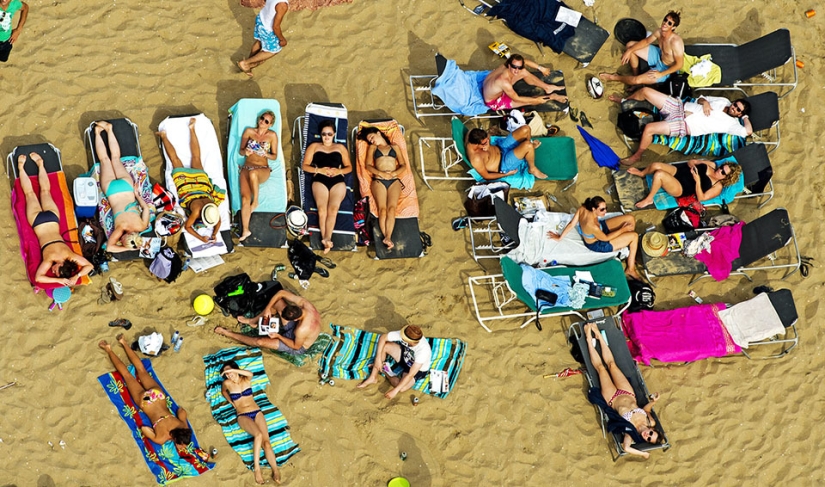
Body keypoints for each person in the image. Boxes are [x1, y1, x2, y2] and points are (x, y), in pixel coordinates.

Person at [609, 88, 753, 164]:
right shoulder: (724, 101)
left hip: (683, 125)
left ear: (740, 115)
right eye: (736, 105)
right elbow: (701, 98)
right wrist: (705, 102)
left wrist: (745, 117)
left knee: (649, 129)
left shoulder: (732, 125)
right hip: (678, 106)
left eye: (738, 110)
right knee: (646, 91)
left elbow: (747, 131)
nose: (734, 108)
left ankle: (637, 156)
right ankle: (624, 100)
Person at [99, 334, 194, 447]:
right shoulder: (161, 438)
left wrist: (184, 424)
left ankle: (123, 342)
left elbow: (181, 411)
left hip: (158, 396)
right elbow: (144, 429)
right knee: (126, 375)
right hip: (146, 403)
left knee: (141, 370)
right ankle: (108, 349)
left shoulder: (182, 425)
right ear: (175, 439)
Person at [584, 323, 661, 458]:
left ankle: (588, 340)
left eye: (648, 439)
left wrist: (643, 454)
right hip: (627, 393)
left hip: (612, 398)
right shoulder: (650, 422)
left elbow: (626, 448)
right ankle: (598, 336)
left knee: (601, 369)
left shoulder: (630, 433)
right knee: (612, 365)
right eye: (651, 434)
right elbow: (647, 409)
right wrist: (654, 402)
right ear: (652, 429)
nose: (646, 435)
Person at [18, 153, 93, 286]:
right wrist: (58, 280)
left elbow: (89, 266)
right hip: (37, 222)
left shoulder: (71, 256)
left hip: (52, 219)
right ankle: (21, 168)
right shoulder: (49, 259)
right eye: (56, 271)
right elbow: (38, 278)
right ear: (61, 265)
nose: (52, 270)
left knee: (45, 191)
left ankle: (40, 164)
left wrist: (77, 276)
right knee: (29, 194)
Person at [157, 118, 226, 243]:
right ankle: (163, 136)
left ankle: (192, 129)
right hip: (187, 188)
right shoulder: (197, 211)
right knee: (175, 160)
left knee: (196, 157)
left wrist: (215, 233)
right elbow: (188, 227)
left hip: (201, 185)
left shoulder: (213, 208)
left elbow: (218, 221)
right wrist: (201, 238)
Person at [547, 196, 641, 280]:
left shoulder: (583, 208)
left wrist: (560, 237)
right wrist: (622, 230)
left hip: (601, 229)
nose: (605, 212)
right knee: (634, 236)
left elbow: (572, 224)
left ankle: (629, 249)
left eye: (605, 208)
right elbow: (605, 238)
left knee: (630, 219)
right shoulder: (591, 225)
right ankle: (630, 268)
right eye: (602, 209)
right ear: (593, 209)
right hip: (599, 244)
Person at [94, 121, 152, 253]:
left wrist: (137, 195)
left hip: (127, 188)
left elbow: (146, 208)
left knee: (115, 158)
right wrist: (127, 249)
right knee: (104, 160)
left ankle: (109, 129)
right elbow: (110, 247)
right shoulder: (120, 228)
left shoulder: (142, 226)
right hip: (111, 190)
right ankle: (97, 133)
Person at [220, 361, 281, 485]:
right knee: (258, 435)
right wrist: (231, 403)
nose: (228, 376)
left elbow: (250, 373)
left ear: (236, 370)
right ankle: (257, 468)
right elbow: (224, 391)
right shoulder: (227, 383)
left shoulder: (246, 379)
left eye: (229, 372)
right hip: (242, 415)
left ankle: (275, 469)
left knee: (267, 444)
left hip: (257, 412)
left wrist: (233, 372)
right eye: (225, 374)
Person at [214, 289, 321, 355]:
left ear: (296, 320)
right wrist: (268, 309)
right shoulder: (305, 305)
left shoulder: (302, 329)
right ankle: (253, 321)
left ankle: (227, 333)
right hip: (297, 330)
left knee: (259, 341)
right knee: (278, 302)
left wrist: (278, 336)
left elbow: (296, 346)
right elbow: (281, 293)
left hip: (297, 344)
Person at [300, 120, 352, 253]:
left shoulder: (340, 148)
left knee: (333, 209)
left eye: (329, 133)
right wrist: (319, 170)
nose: (327, 136)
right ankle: (325, 238)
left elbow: (349, 167)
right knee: (322, 209)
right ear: (320, 135)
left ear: (334, 134)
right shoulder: (315, 146)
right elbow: (305, 166)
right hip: (320, 178)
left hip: (337, 179)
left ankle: (328, 238)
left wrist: (338, 171)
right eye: (324, 134)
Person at [356, 126, 410, 250]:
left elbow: (403, 165)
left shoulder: (395, 147)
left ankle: (388, 237)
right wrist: (382, 174)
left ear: (378, 133)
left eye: (372, 137)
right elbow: (368, 165)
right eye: (369, 140)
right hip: (379, 179)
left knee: (392, 209)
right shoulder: (373, 148)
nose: (371, 141)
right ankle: (386, 236)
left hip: (394, 179)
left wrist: (394, 174)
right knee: (382, 209)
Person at [600, 11, 684, 86]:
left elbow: (679, 65)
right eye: (665, 20)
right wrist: (629, 50)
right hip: (659, 56)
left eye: (669, 23)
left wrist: (661, 74)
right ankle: (635, 73)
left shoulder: (675, 42)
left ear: (673, 27)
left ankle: (614, 77)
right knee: (630, 45)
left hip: (666, 69)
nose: (665, 23)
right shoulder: (659, 32)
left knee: (636, 80)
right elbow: (646, 41)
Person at [628, 159, 742, 209]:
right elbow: (692, 161)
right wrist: (693, 166)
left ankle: (649, 199)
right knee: (655, 165)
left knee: (659, 174)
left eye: (723, 172)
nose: (719, 170)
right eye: (722, 167)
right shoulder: (711, 164)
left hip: (681, 187)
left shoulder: (717, 186)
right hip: (679, 171)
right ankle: (642, 173)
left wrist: (697, 180)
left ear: (727, 178)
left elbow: (702, 198)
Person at [357, 325, 432, 400]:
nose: (401, 337)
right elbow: (383, 337)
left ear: (411, 341)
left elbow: (410, 374)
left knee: (401, 388)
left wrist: (395, 391)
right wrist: (377, 359)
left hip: (417, 369)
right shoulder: (406, 333)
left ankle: (385, 370)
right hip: (405, 356)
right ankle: (373, 377)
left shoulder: (423, 350)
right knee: (385, 346)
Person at [238, 110, 279, 242]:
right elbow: (241, 150)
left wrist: (265, 154)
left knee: (254, 173)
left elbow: (274, 156)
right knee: (244, 199)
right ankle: (245, 230)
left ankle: (255, 201)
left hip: (262, 169)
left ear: (270, 124)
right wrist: (246, 152)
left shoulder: (272, 136)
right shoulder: (249, 132)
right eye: (262, 118)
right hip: (247, 166)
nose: (262, 121)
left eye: (266, 121)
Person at [482, 54, 567, 110]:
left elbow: (525, 61)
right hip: (494, 101)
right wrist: (536, 100)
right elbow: (517, 98)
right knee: (530, 101)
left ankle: (547, 87)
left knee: (524, 72)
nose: (516, 70)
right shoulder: (504, 82)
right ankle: (551, 97)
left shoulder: (506, 66)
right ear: (509, 65)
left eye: (519, 67)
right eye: (514, 67)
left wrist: (541, 69)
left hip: (493, 87)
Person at [465, 125, 547, 181]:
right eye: (484, 143)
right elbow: (486, 176)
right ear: (476, 144)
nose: (487, 142)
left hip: (501, 147)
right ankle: (531, 168)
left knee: (525, 129)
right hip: (504, 163)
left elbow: (478, 134)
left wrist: (488, 144)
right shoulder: (476, 158)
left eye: (487, 140)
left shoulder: (472, 135)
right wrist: (506, 174)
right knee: (528, 145)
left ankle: (527, 152)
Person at [237, 0, 288, 77]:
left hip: (261, 19)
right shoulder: (282, 5)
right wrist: (282, 39)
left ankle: (251, 61)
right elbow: (275, 27)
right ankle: (246, 63)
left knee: (260, 41)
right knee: (274, 50)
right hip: (268, 29)